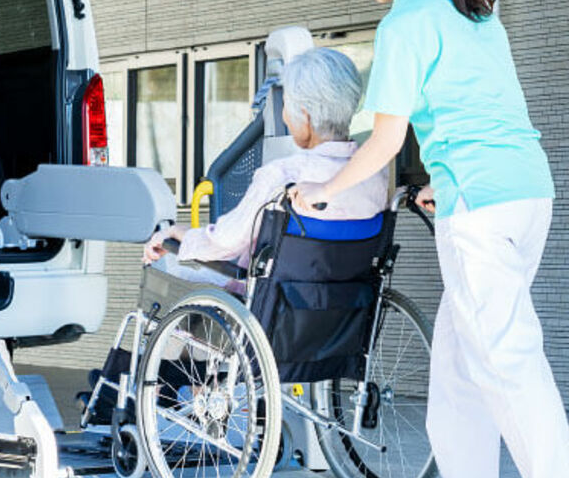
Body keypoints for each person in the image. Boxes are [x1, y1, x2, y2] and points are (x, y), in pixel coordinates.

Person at [289, 0, 569, 478]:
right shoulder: (471, 9)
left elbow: (386, 140)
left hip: (480, 209)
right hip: (525, 194)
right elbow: (480, 113)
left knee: (509, 365)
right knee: (458, 372)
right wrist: (440, 186)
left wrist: (323, 190)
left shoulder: (405, 24)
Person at [144, 47, 389, 293]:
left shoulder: (284, 174)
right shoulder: (376, 176)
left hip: (271, 304)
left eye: (287, 105)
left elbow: (225, 241)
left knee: (166, 281)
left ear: (304, 115)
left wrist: (176, 233)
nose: (284, 116)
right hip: (348, 306)